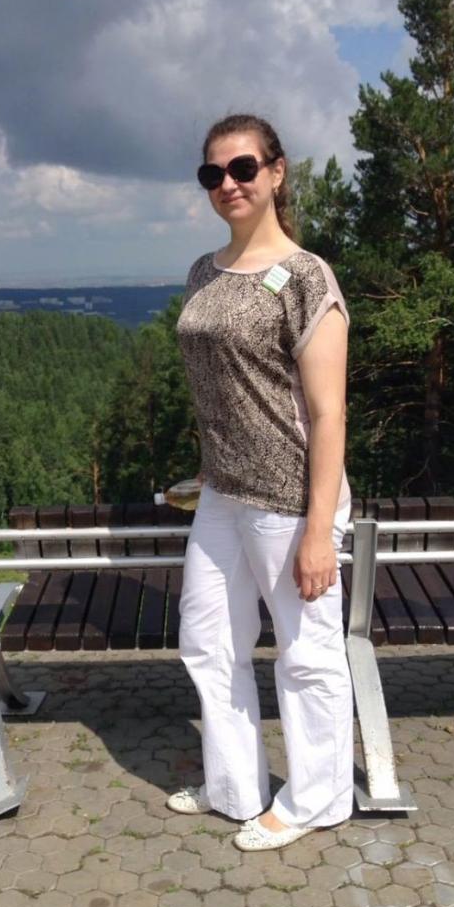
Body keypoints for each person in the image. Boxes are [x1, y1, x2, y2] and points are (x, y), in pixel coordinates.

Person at [168, 113, 353, 852]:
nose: (228, 184)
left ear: (276, 172)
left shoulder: (307, 277)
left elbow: (329, 413)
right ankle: (234, 786)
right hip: (223, 491)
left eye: (243, 168)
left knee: (307, 654)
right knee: (208, 640)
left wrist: (319, 531)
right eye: (212, 173)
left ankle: (316, 799)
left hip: (290, 496)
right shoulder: (203, 272)